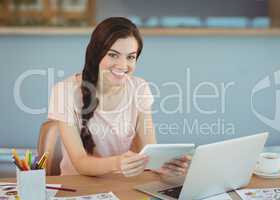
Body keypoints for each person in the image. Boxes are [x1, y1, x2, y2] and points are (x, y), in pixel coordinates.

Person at [48, 17, 191, 177]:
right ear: (96, 54)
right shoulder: (63, 92)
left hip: (123, 185)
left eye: (130, 57)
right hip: (78, 188)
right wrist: (117, 163)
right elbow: (81, 162)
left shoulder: (139, 88)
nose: (123, 65)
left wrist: (161, 165)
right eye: (113, 55)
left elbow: (149, 149)